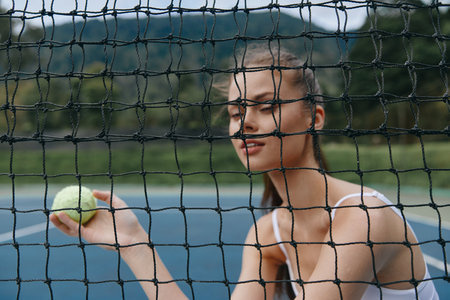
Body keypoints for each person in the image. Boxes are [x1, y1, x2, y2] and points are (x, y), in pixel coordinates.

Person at [50, 45, 439, 300]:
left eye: (265, 106)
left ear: (314, 118)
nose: (244, 124)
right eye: (236, 113)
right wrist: (134, 244)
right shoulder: (265, 236)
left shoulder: (365, 217)